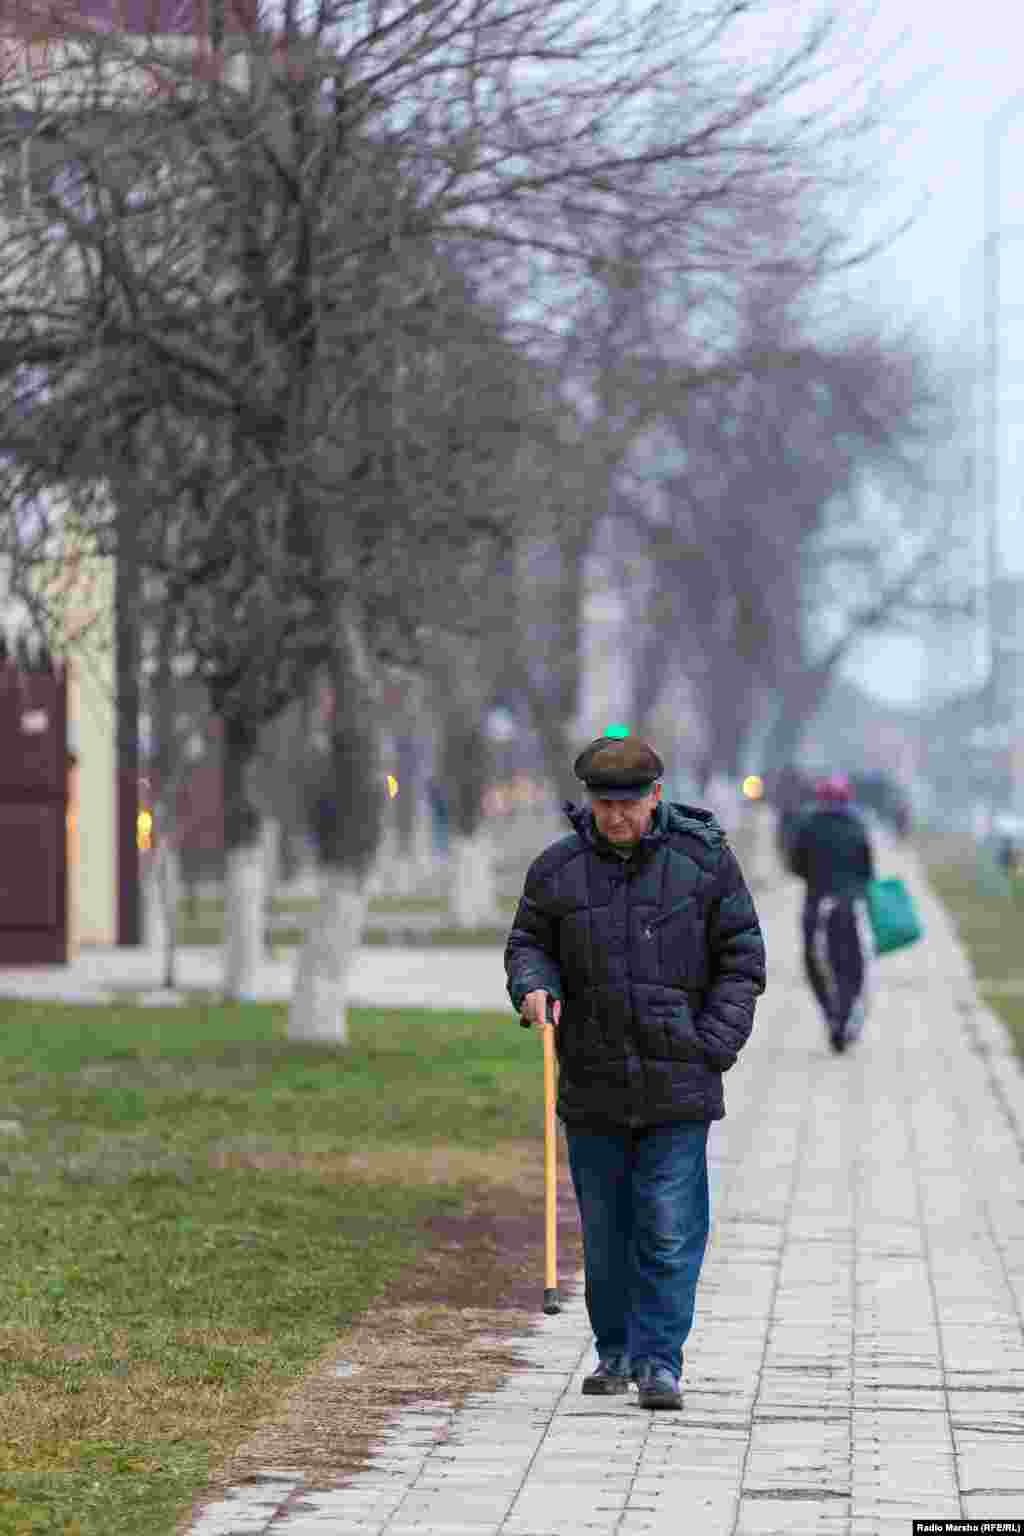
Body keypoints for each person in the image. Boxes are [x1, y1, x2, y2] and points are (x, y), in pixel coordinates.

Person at [504, 734, 766, 1410]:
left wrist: (712, 1043)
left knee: (670, 1226)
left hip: (679, 1081)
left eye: (627, 803)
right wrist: (533, 985)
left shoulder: (703, 863)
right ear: (588, 801)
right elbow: (529, 942)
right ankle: (614, 1351)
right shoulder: (558, 870)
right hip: (592, 1079)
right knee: (608, 1231)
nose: (614, 817)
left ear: (656, 796)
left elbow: (742, 957)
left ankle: (659, 1363)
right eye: (602, 804)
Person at [786, 772, 875, 1054]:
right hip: (850, 908)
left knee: (816, 964)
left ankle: (831, 1013)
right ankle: (845, 1015)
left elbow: (795, 866)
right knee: (851, 966)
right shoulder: (858, 827)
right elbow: (868, 871)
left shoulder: (807, 826)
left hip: (816, 907)